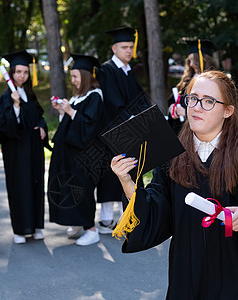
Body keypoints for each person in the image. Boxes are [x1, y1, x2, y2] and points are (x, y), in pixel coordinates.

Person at [111, 70, 238, 299]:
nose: (197, 107)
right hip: (188, 278)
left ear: (228, 111)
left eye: (208, 101)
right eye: (192, 98)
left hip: (237, 281)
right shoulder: (173, 159)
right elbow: (157, 213)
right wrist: (127, 181)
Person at [96, 26, 150, 234]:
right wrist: (134, 119)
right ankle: (106, 219)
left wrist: (149, 115)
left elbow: (140, 99)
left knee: (132, 171)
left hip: (131, 129)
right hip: (114, 130)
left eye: (130, 47)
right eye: (124, 47)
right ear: (114, 48)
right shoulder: (106, 69)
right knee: (112, 175)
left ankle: (130, 216)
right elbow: (112, 102)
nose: (129, 51)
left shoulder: (128, 71)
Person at [48, 54, 105, 246]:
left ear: (85, 76)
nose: (72, 80)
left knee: (82, 190)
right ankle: (77, 222)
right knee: (68, 189)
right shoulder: (77, 97)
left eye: (75, 76)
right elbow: (70, 125)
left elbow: (90, 128)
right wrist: (63, 112)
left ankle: (91, 229)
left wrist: (71, 111)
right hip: (69, 154)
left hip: (84, 157)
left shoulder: (95, 96)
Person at [0, 50, 48, 244]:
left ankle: (36, 226)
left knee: (35, 184)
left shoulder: (30, 94)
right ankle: (20, 230)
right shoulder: (7, 96)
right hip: (16, 150)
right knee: (19, 186)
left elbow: (39, 116)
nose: (22, 75)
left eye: (25, 72)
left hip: (34, 148)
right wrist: (16, 106)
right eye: (18, 71)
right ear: (11, 73)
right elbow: (6, 126)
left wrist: (42, 127)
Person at [168, 39, 217, 134]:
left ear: (202, 60)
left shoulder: (214, 81)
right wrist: (172, 108)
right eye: (189, 60)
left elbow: (212, 109)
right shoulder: (188, 79)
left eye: (193, 60)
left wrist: (186, 113)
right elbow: (173, 100)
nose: (190, 64)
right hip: (181, 130)